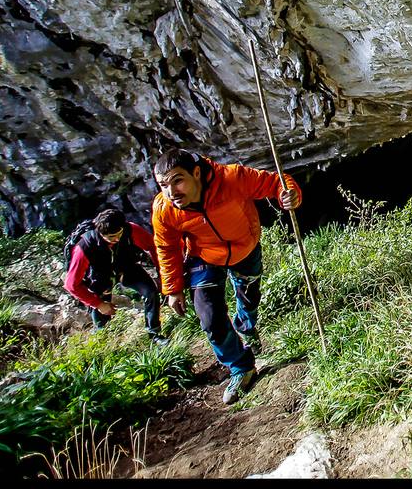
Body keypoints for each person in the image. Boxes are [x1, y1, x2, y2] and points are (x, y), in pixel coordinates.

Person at [151, 147, 303, 405]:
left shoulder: (231, 178)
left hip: (245, 246)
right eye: (164, 185)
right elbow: (166, 248)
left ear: (196, 173)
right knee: (209, 316)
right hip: (204, 256)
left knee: (249, 299)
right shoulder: (165, 209)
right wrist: (173, 288)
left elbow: (275, 182)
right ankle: (241, 367)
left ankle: (247, 327)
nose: (171, 192)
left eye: (178, 180)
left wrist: (290, 195)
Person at [63, 207, 166, 343]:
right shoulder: (84, 247)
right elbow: (71, 285)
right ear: (100, 233)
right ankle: (105, 343)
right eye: (111, 237)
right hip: (100, 276)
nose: (116, 239)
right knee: (102, 317)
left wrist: (161, 274)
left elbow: (153, 247)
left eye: (119, 234)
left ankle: (154, 335)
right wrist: (98, 304)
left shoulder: (130, 230)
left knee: (150, 292)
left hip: (127, 267)